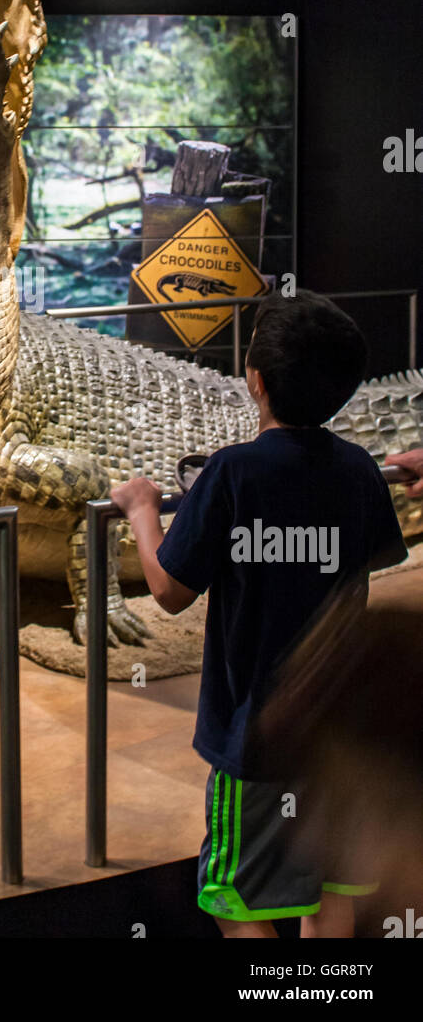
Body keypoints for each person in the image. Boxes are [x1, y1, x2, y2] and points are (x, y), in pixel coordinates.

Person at [110, 290, 408, 940]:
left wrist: (140, 510)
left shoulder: (231, 474)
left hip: (260, 740)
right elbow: (377, 557)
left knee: (231, 900)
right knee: (330, 893)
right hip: (342, 731)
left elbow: (169, 590)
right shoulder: (360, 470)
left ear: (256, 381)